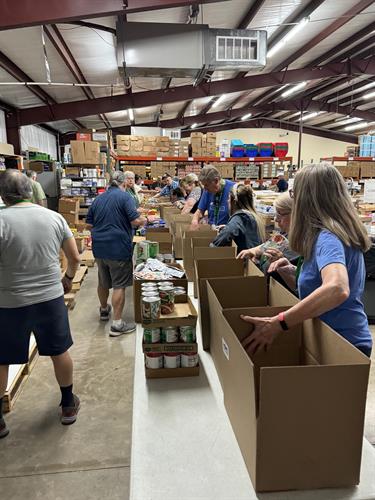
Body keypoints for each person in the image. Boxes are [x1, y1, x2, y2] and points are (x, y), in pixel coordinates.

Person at [241, 163, 373, 358]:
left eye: (295, 193)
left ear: (307, 198)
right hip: (336, 337)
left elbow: (337, 288)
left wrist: (279, 322)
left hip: (342, 343)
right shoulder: (335, 231)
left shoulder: (327, 237)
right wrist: (292, 272)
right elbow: (323, 286)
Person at [0, 169, 81, 438]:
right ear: (29, 190)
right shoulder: (54, 217)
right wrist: (67, 278)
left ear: (3, 194)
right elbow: (75, 257)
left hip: (9, 302)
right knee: (59, 351)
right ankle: (68, 404)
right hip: (49, 297)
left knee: (3, 360)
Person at [86, 171, 147, 337]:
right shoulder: (124, 197)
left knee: (103, 281)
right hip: (118, 247)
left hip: (99, 248)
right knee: (119, 284)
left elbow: (89, 225)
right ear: (124, 183)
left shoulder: (98, 199)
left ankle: (104, 310)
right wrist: (145, 220)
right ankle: (117, 324)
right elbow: (135, 221)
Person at [237, 192, 296, 266]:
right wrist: (252, 251)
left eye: (280, 214)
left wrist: (283, 265)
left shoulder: (303, 246)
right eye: (276, 214)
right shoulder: (286, 233)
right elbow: (269, 245)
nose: (276, 219)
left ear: (295, 214)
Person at [211, 184, 265, 253]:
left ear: (233, 201)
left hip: (244, 261)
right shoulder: (253, 216)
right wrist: (227, 227)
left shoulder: (238, 219)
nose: (227, 201)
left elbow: (216, 244)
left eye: (228, 198)